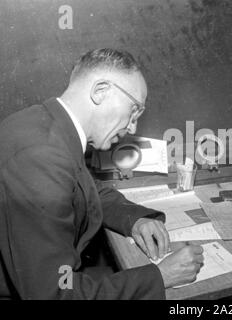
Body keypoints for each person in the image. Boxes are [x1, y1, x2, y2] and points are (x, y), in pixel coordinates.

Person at [0, 48, 204, 299]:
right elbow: (55, 294)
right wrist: (161, 277)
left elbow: (85, 188)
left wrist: (134, 219)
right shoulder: (41, 157)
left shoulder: (45, 123)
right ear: (100, 91)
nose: (133, 126)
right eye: (134, 110)